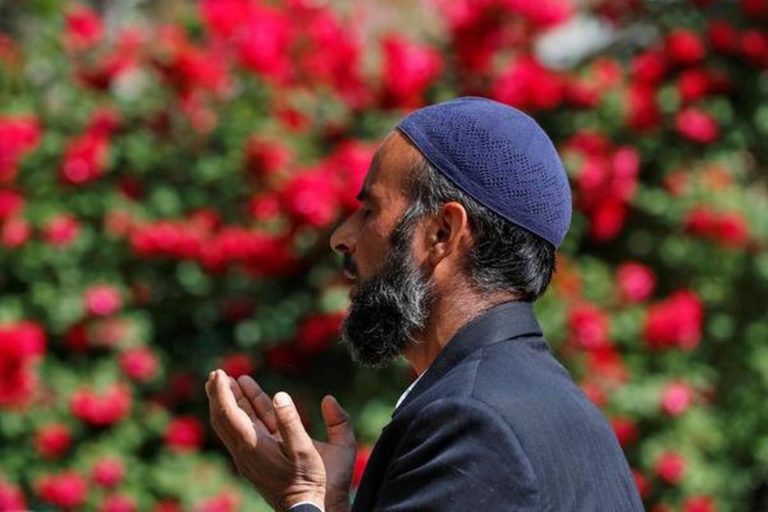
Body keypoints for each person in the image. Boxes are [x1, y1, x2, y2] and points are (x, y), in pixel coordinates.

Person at [205, 97, 645, 511]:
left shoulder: (472, 423)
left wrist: (300, 497)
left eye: (371, 210)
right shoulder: (557, 407)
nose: (343, 236)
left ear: (442, 233)